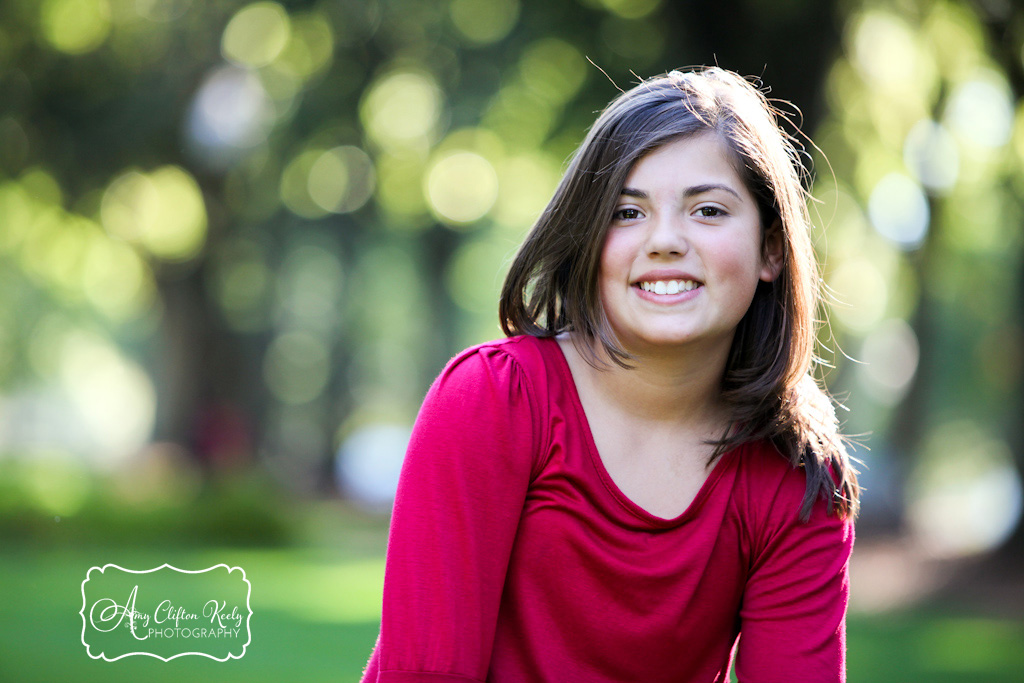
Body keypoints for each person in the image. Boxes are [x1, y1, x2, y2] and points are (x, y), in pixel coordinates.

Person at [360, 67, 860, 683]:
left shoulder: (797, 474)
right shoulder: (492, 402)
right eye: (628, 211)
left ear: (771, 250)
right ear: (588, 241)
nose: (666, 240)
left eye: (707, 210)